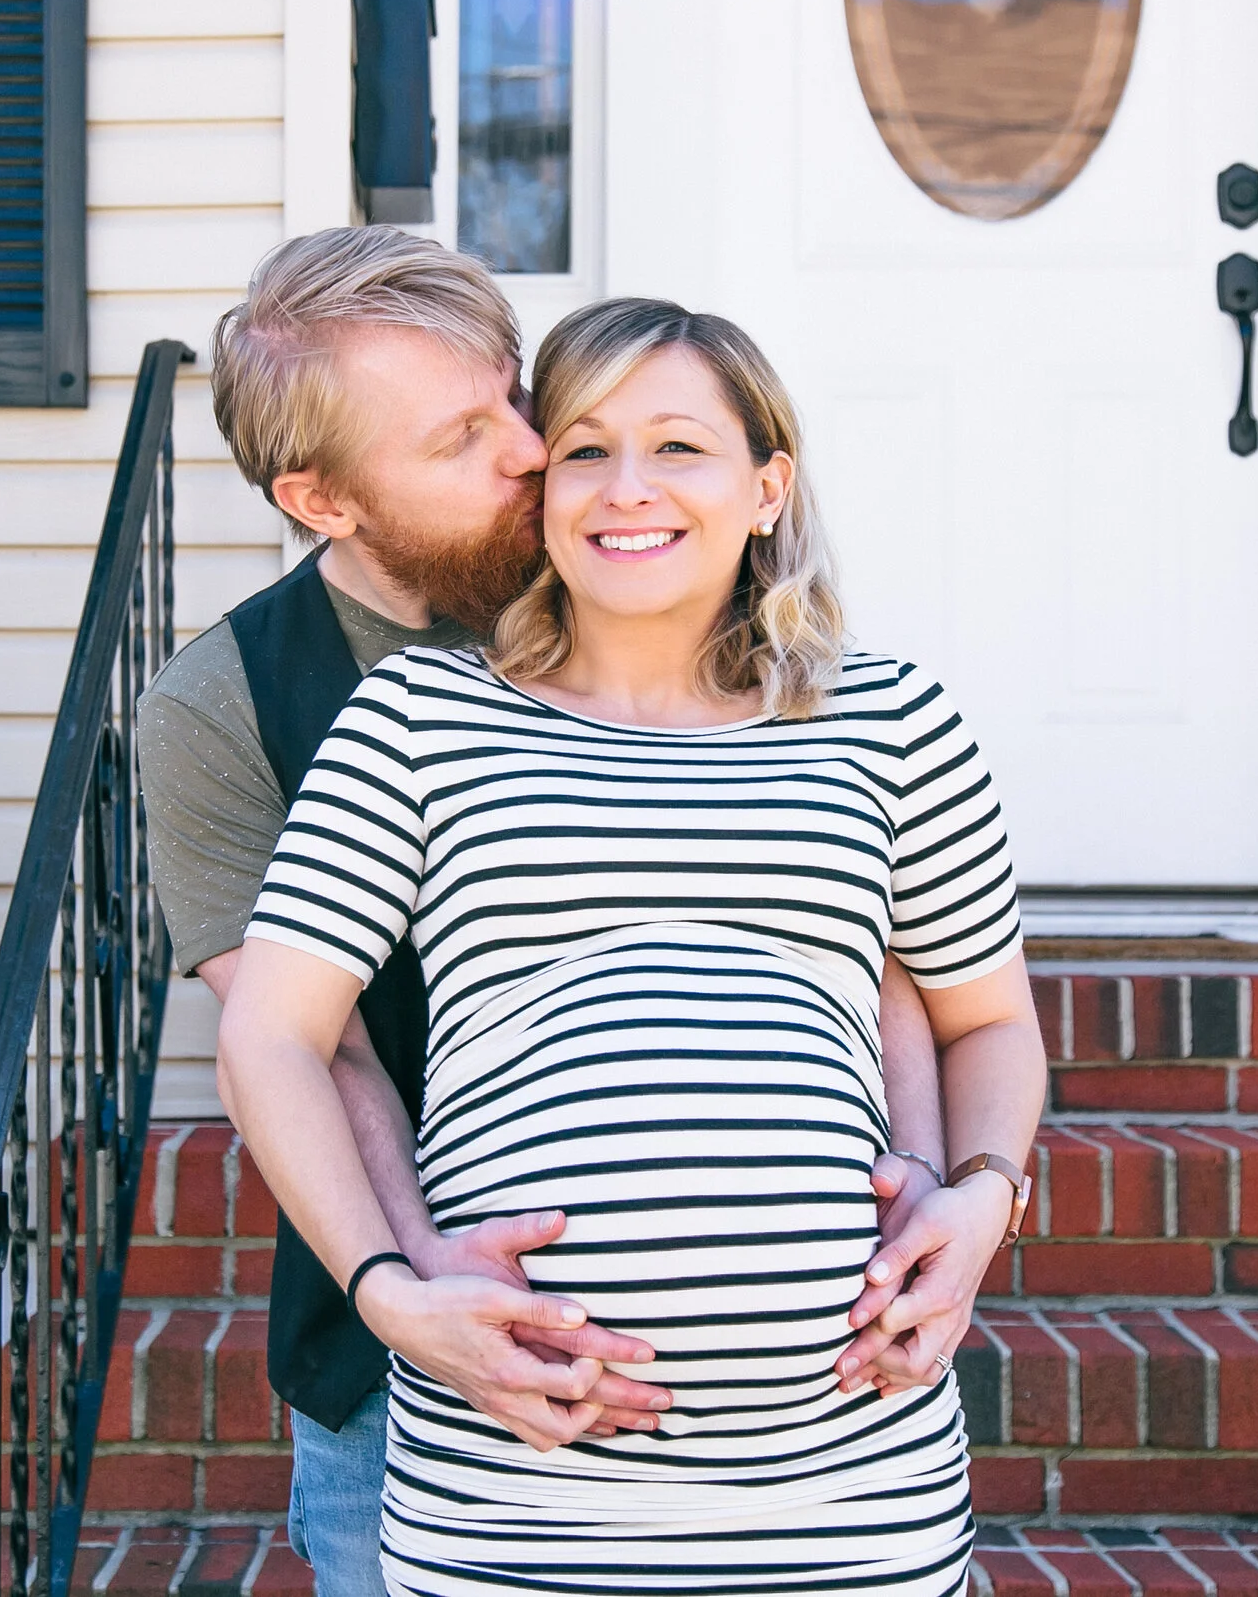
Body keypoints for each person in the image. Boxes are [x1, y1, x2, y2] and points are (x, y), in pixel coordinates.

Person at [143, 231, 971, 1594]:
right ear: (326, 497)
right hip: (423, 1343)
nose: (540, 456)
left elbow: (852, 924)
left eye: (516, 398)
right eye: (467, 437)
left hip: (816, 1452)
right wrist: (422, 1296)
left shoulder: (629, 563)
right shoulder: (227, 706)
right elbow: (317, 1043)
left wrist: (929, 1185)